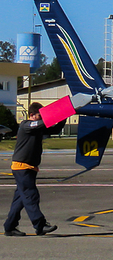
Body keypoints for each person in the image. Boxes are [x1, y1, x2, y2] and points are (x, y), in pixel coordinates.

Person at [4, 102, 65, 237]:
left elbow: (54, 130)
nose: (42, 118)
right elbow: (42, 124)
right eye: (40, 115)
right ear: (32, 115)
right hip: (22, 168)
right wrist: (58, 113)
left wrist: (64, 116)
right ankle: (40, 225)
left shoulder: (37, 127)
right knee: (31, 195)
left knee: (20, 199)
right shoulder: (26, 125)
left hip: (30, 168)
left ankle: (9, 226)